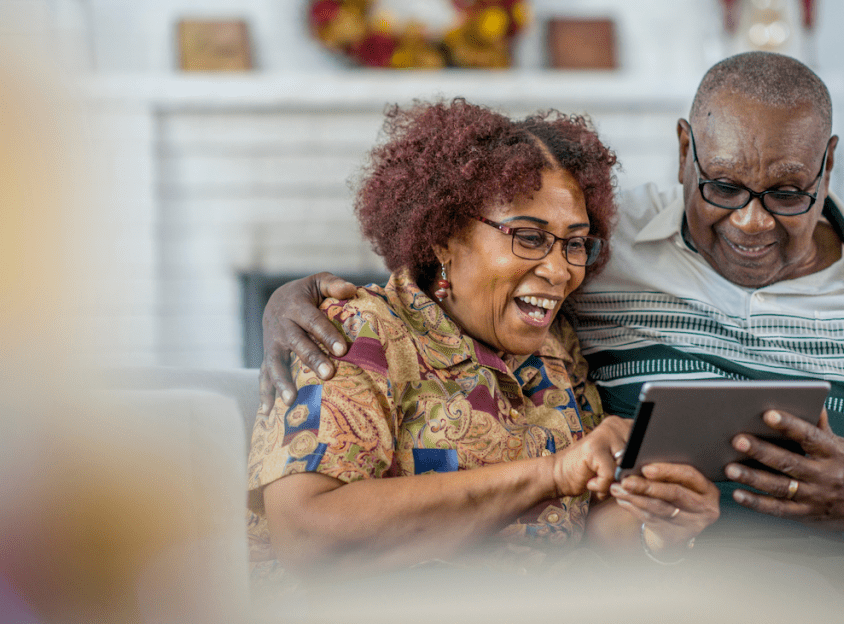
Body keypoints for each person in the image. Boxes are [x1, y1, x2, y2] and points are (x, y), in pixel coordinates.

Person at [258, 55, 844, 616]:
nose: (753, 221)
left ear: (828, 165)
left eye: (789, 192)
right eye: (723, 186)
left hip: (834, 573)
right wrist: (292, 299)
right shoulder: (603, 255)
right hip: (688, 587)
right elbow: (439, 281)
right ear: (686, 151)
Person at [246, 99, 720, 589]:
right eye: (529, 236)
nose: (560, 270)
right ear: (444, 237)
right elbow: (308, 536)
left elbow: (588, 525)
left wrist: (659, 523)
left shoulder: (556, 353)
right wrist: (550, 473)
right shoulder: (361, 332)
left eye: (574, 242)